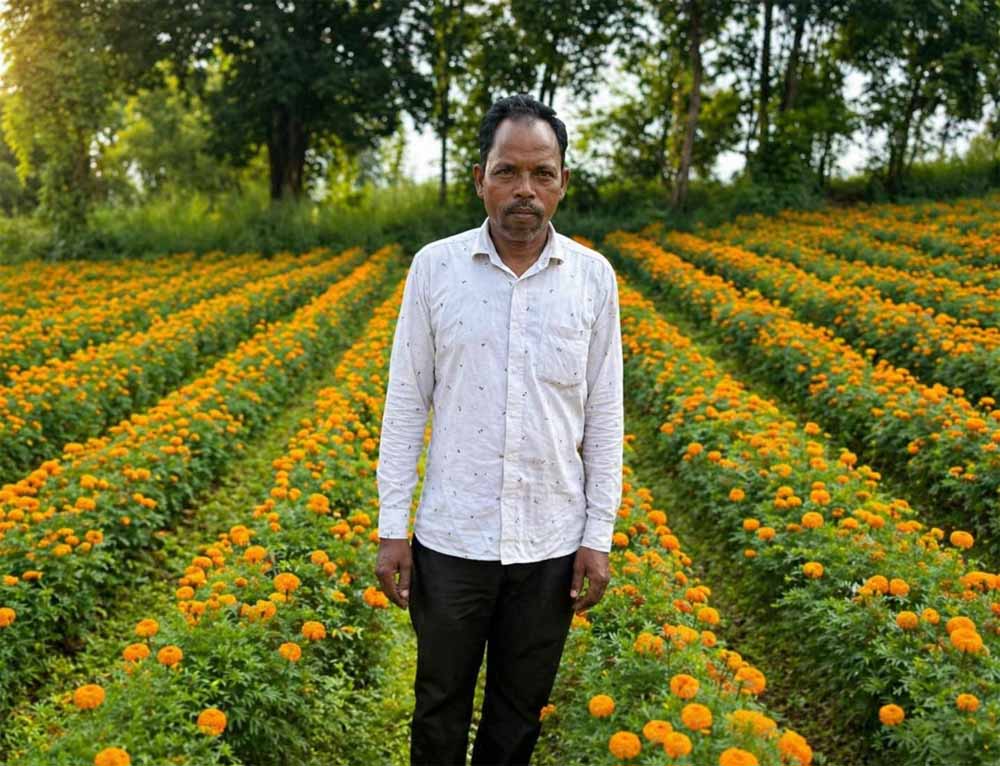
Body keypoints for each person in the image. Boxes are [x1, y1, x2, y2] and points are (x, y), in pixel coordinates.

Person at [375, 93, 624, 766]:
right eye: (507, 171)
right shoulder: (435, 268)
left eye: (542, 173)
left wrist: (597, 537)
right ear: (480, 179)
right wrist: (392, 529)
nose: (525, 190)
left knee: (518, 717)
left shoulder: (593, 279)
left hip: (550, 542)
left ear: (562, 182)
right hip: (453, 538)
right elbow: (406, 404)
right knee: (438, 709)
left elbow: (605, 417)